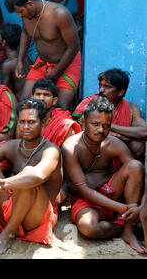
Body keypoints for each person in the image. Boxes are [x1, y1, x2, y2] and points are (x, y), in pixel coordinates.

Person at [0, 98, 62, 256]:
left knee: (28, 175)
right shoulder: (13, 145)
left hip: (38, 218)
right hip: (13, 207)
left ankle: (7, 235)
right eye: (22, 122)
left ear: (43, 123)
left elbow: (37, 176)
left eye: (31, 122)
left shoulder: (51, 151)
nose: (26, 127)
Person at [62, 96, 146, 253]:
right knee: (88, 227)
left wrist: (141, 207)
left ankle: (129, 231)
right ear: (83, 123)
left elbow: (139, 173)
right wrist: (126, 209)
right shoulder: (70, 147)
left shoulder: (114, 144)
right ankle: (126, 228)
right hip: (86, 200)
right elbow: (84, 190)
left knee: (135, 165)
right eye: (95, 124)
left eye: (106, 126)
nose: (100, 130)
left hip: (112, 193)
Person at [5, 0, 81, 111]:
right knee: (26, 102)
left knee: (61, 108)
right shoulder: (27, 14)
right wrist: (20, 60)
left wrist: (56, 73)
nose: (19, 15)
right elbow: (25, 33)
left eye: (20, 11)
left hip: (67, 63)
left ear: (30, 4)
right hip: (42, 63)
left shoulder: (59, 14)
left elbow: (73, 48)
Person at [72, 68, 147, 161]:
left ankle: (125, 171)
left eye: (107, 86)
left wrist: (109, 126)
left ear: (121, 92)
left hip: (118, 152)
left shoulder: (131, 108)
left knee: (137, 145)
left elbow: (144, 132)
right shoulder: (89, 102)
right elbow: (80, 129)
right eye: (100, 85)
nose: (101, 90)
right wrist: (121, 137)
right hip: (92, 149)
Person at [31, 79, 81, 147]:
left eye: (46, 95)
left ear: (54, 101)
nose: (41, 98)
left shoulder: (64, 124)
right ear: (32, 98)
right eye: (38, 94)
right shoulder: (25, 119)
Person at [0, 23, 31, 101]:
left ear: (4, 42)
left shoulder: (8, 64)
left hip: (20, 102)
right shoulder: (25, 57)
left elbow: (4, 91)